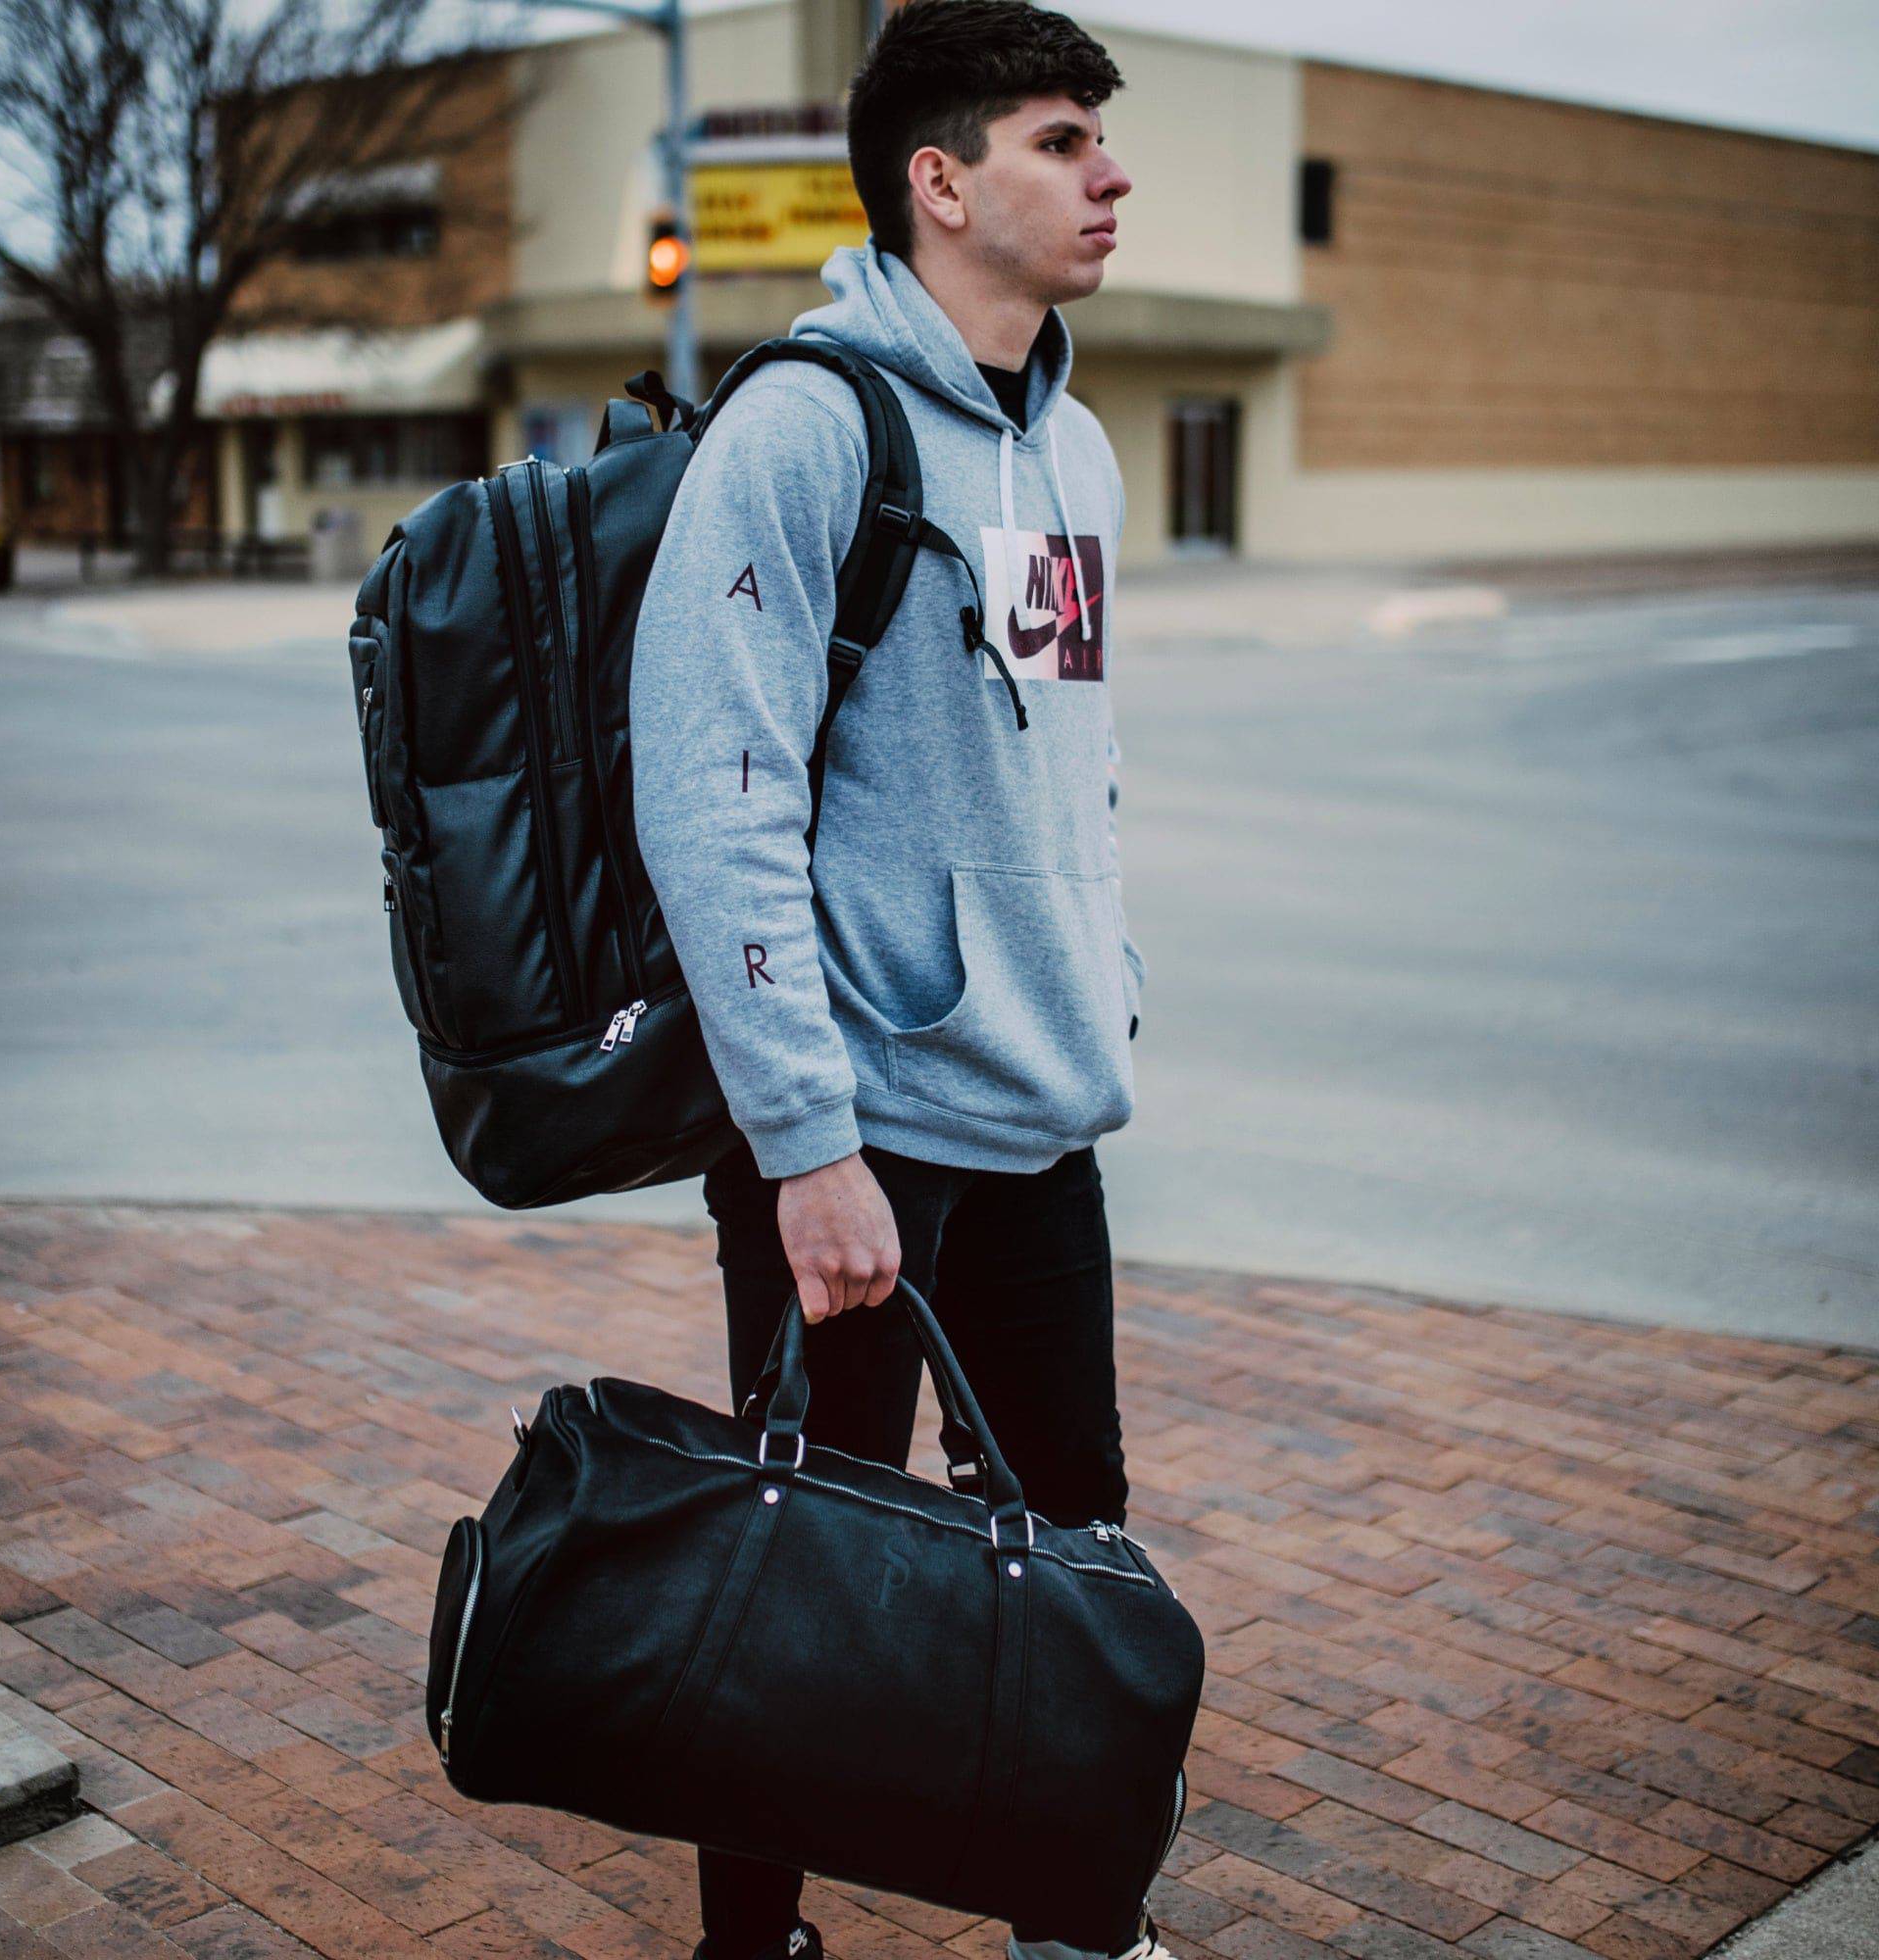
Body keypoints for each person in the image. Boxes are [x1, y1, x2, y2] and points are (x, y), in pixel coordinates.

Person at [629, 5, 1166, 1960]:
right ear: (940, 183)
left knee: (1072, 1543)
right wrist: (801, 1136)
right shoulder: (806, 427)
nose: (1107, 174)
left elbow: (1066, 761)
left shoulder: (1081, 449)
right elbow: (714, 789)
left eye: (1101, 140)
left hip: (1041, 1116)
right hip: (855, 1141)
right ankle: (750, 1945)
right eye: (1058, 139)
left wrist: (1100, 977)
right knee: (802, 1573)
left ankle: (1069, 1921)